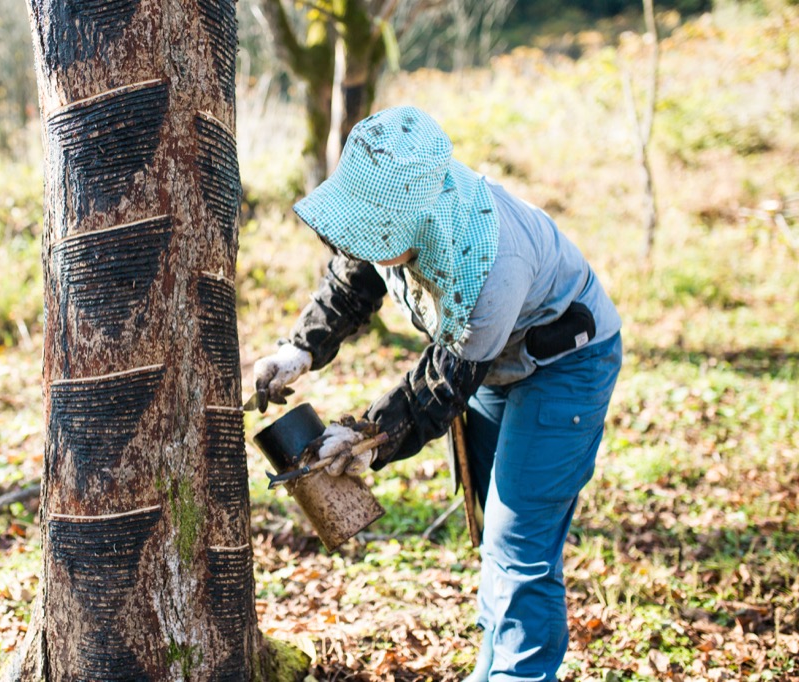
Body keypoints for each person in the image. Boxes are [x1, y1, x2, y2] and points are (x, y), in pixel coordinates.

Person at [251, 106, 622, 681]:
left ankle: (520, 674)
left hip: (563, 364)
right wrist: (296, 350)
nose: (370, 239)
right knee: (490, 526)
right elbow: (355, 274)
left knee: (517, 533)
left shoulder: (491, 270)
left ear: (418, 226)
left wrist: (368, 435)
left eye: (379, 230)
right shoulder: (398, 204)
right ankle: (490, 669)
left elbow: (440, 387)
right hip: (494, 366)